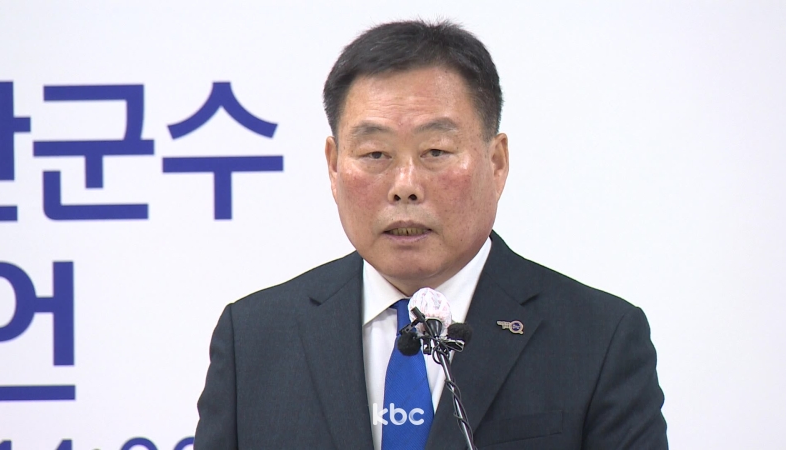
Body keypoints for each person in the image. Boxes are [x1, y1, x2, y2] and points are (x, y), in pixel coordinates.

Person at [194, 20, 668, 449]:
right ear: (334, 167)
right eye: (375, 154)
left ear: (496, 162)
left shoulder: (598, 340)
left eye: (436, 151)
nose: (405, 186)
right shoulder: (254, 339)